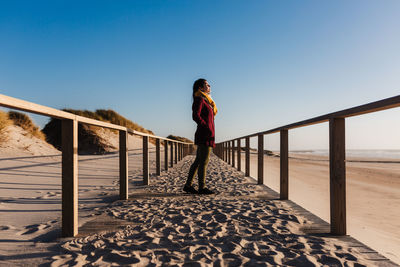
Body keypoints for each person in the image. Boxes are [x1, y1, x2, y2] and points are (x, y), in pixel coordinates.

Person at [183, 78, 217, 194]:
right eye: (207, 85)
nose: (209, 86)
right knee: (204, 161)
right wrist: (206, 127)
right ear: (200, 88)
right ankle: (202, 187)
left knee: (198, 161)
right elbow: (195, 116)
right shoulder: (199, 99)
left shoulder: (206, 100)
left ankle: (188, 185)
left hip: (206, 133)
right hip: (204, 134)